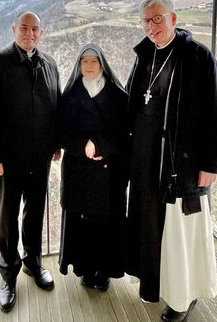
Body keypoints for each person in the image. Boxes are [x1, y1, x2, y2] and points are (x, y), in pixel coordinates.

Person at [125, 0, 217, 322]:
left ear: (173, 17)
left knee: (180, 236)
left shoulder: (198, 57)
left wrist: (212, 164)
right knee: (155, 232)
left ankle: (183, 298)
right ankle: (157, 286)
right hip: (147, 162)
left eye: (157, 19)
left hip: (180, 165)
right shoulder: (145, 56)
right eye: (145, 21)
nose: (151, 26)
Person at [0, 11, 61, 312]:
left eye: (35, 29)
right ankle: (8, 274)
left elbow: (55, 107)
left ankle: (33, 263)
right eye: (24, 28)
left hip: (40, 159)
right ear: (14, 30)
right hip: (8, 161)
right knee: (7, 218)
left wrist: (57, 146)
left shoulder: (50, 64)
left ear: (42, 32)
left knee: (35, 213)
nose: (29, 33)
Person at [58, 43, 128, 290]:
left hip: (109, 171)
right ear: (79, 65)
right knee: (83, 224)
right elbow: (61, 132)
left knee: (105, 224)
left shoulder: (118, 96)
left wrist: (99, 145)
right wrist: (83, 146)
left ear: (102, 64)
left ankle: (105, 271)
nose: (88, 65)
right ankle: (86, 268)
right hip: (79, 170)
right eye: (84, 61)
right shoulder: (70, 95)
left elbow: (124, 131)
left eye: (94, 61)